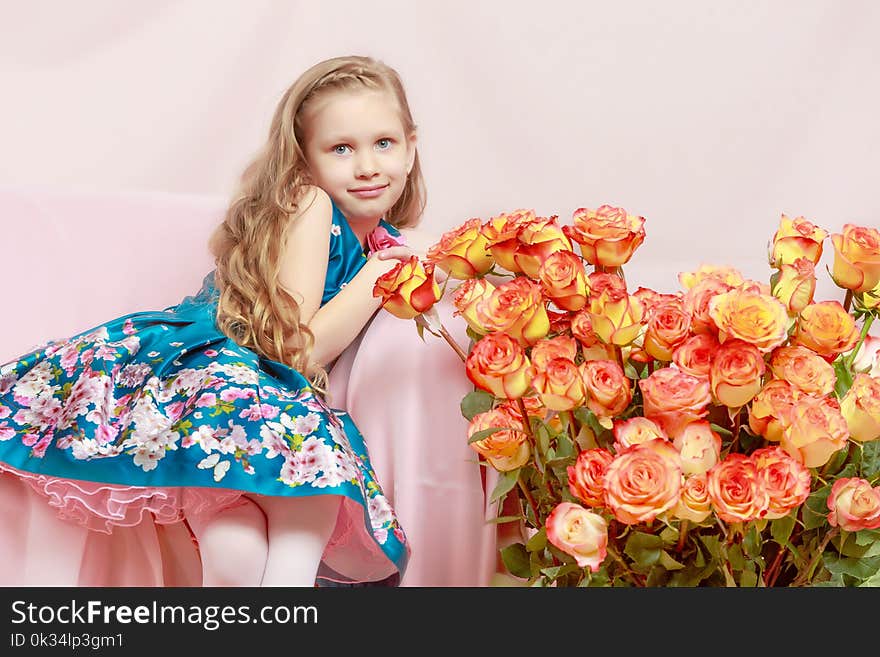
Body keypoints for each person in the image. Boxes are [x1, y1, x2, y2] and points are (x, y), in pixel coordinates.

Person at [0, 54, 432, 587]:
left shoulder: (381, 245)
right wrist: (377, 281)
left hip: (245, 393)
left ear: (411, 148)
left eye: (383, 144)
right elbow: (296, 346)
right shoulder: (312, 204)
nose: (367, 165)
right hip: (219, 366)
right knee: (317, 482)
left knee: (240, 544)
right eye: (341, 148)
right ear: (304, 163)